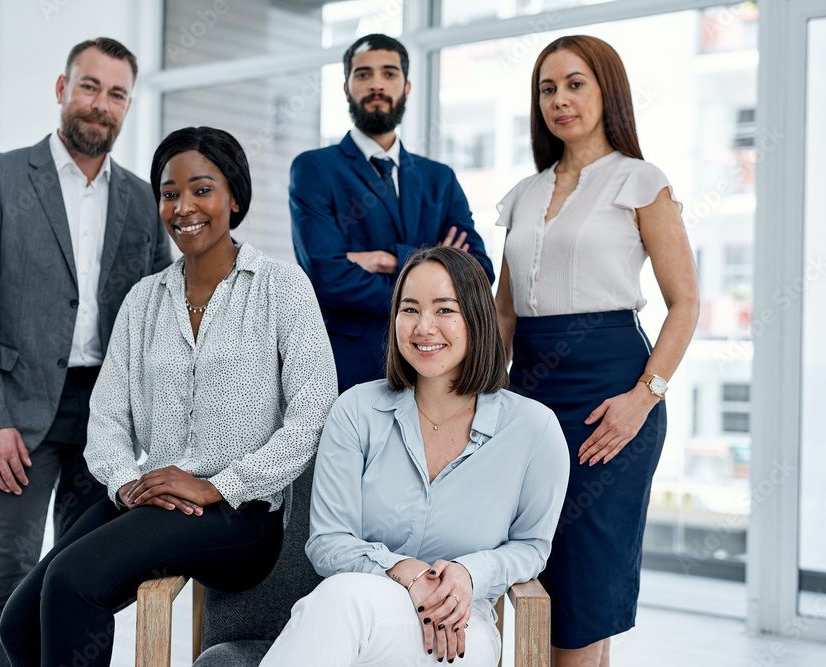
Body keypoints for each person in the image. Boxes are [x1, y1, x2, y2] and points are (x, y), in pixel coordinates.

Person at [0, 126, 338, 666]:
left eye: (201, 189)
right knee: (18, 620)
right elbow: (106, 419)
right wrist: (128, 484)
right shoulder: (143, 301)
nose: (183, 206)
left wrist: (216, 486)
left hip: (240, 516)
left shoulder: (282, 287)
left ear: (234, 196)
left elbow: (312, 416)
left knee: (71, 584)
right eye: (169, 192)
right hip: (150, 499)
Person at [0, 37, 171, 667]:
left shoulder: (141, 201)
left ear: (128, 105)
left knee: (80, 576)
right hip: (13, 409)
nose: (101, 104)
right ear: (62, 88)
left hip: (104, 414)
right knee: (7, 566)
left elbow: (160, 314)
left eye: (117, 93)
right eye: (90, 86)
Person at [494, 35, 700, 666]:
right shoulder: (526, 192)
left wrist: (644, 397)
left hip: (610, 397)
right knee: (537, 577)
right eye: (547, 88)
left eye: (575, 83)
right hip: (528, 393)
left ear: (606, 89)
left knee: (583, 593)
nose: (560, 100)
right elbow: (505, 310)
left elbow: (686, 303)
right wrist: (487, 400)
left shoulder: (642, 181)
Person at [261, 246, 569, 666]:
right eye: (410, 310)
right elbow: (328, 543)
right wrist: (409, 573)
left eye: (444, 310)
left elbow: (532, 546)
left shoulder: (534, 429)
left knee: (339, 603)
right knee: (342, 598)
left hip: (462, 625)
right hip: (362, 604)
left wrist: (469, 573)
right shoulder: (355, 411)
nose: (424, 327)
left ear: (476, 318)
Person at [290, 33, 495, 394]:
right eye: (363, 74)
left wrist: (390, 260)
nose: (376, 85)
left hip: (434, 369)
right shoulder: (314, 169)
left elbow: (478, 271)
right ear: (346, 87)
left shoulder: (439, 179)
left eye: (389, 73)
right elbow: (328, 276)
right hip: (349, 366)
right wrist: (434, 292)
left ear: (407, 86)